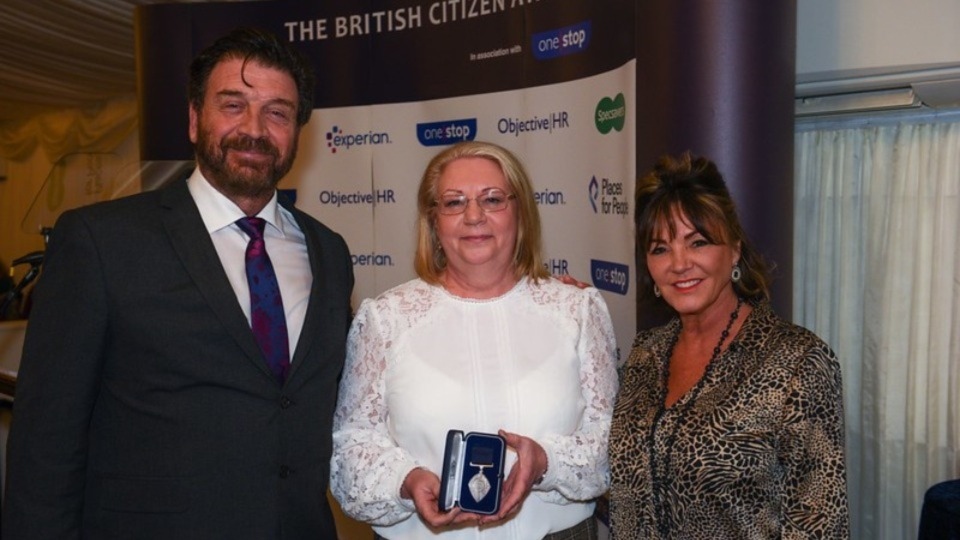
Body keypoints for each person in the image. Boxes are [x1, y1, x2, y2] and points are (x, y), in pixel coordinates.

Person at [2, 27, 354, 539]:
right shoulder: (102, 241)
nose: (254, 129)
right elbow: (45, 442)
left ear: (297, 132)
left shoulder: (329, 252)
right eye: (232, 105)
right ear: (194, 120)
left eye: (277, 112)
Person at [330, 141, 618, 539]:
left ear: (521, 212)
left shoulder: (578, 311)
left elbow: (611, 443)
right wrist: (406, 480)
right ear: (434, 221)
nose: (473, 216)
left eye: (493, 199)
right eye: (453, 203)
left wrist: (546, 462)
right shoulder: (385, 319)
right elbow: (350, 451)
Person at [608, 152, 849, 539]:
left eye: (698, 242)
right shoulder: (644, 354)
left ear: (734, 249)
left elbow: (820, 523)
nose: (679, 263)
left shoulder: (798, 361)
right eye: (660, 248)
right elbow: (625, 489)